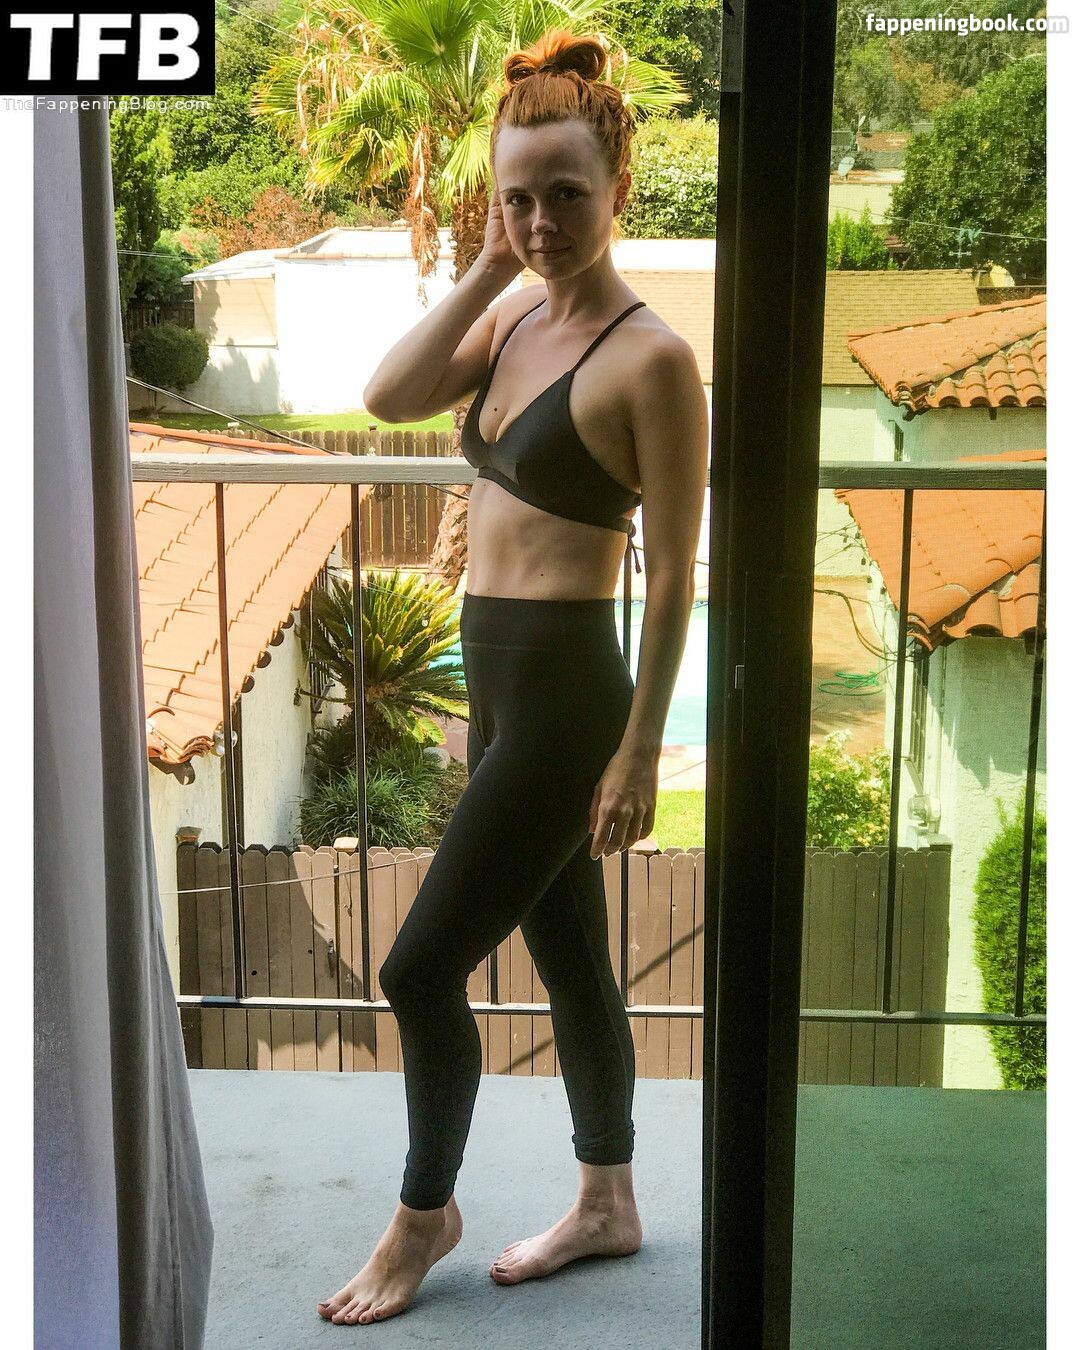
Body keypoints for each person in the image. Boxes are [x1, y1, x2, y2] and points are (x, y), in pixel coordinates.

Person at [317, 26, 709, 1328]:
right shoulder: (515, 314)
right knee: (572, 953)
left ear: (621, 191)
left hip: (565, 696)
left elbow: (675, 571)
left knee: (417, 970)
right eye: (518, 198)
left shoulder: (653, 361)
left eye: (566, 196)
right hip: (492, 677)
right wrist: (487, 264)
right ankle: (609, 1200)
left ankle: (423, 1211)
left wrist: (639, 747)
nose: (542, 222)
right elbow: (388, 396)